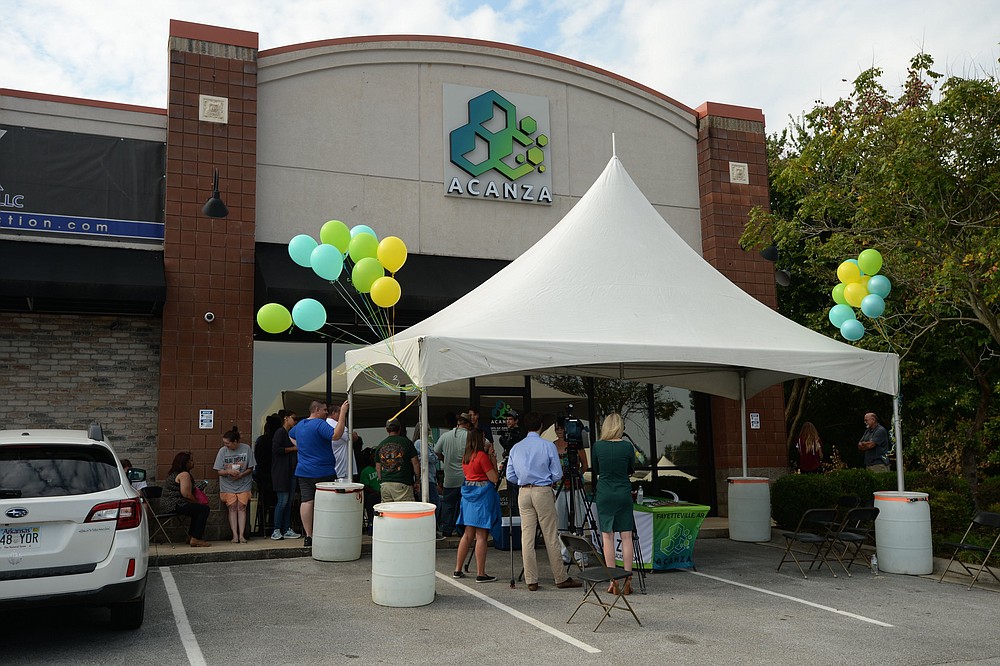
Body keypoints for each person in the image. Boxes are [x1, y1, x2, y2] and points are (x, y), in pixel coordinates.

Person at [505, 412, 581, 591]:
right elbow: (557, 473)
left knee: (527, 536)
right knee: (550, 534)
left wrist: (524, 480)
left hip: (524, 491)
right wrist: (547, 479)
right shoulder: (547, 446)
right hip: (542, 490)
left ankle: (531, 579)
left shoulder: (516, 447)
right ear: (540, 426)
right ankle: (560, 577)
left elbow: (510, 475)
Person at [591, 412, 635, 595]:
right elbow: (631, 468)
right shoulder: (627, 447)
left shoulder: (598, 446)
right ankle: (627, 578)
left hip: (605, 492)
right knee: (626, 536)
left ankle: (612, 579)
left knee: (607, 537)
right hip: (623, 491)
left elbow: (596, 469)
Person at [453, 429, 501, 582]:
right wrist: (493, 459)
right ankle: (481, 573)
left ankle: (457, 569)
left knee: (467, 534)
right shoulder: (482, 456)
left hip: (468, 495)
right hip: (482, 496)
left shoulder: (466, 457)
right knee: (481, 535)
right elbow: (493, 478)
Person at [289, 400, 338, 548]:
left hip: (304, 470)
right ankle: (326, 533)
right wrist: (342, 416)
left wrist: (300, 446)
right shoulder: (320, 424)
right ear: (316, 410)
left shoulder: (301, 425)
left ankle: (308, 536)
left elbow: (290, 435)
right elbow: (335, 435)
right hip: (323, 470)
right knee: (328, 502)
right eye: (324, 410)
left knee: (307, 501)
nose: (326, 413)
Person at [553, 420, 590, 564]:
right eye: (557, 429)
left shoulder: (575, 445)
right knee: (560, 522)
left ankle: (581, 555)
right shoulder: (552, 445)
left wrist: (578, 474)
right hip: (558, 486)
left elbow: (585, 464)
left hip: (575, 486)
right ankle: (564, 555)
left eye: (561, 428)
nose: (559, 431)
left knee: (578, 521)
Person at [214, 426, 256, 543]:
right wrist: (228, 471)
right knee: (232, 507)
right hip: (228, 484)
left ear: (236, 442)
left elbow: (251, 467)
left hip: (243, 482)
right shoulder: (222, 451)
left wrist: (241, 475)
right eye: (224, 443)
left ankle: (241, 535)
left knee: (242, 507)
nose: (226, 445)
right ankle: (235, 535)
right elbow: (219, 471)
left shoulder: (246, 449)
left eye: (228, 443)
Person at [162, 451, 211, 547]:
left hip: (170, 504)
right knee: (204, 509)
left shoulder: (174, 473)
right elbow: (186, 494)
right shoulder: (184, 474)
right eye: (191, 461)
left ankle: (191, 537)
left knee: (197, 510)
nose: (193, 463)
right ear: (185, 463)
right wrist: (197, 502)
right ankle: (196, 538)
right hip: (174, 504)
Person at [434, 412, 468, 537]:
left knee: (448, 504)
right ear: (468, 424)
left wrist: (445, 458)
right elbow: (485, 444)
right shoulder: (469, 436)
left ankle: (447, 529)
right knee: (463, 505)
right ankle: (461, 530)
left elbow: (436, 451)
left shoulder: (445, 436)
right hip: (465, 477)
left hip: (449, 478)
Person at [270, 409, 302, 540]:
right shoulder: (280, 432)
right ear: (286, 418)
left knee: (288, 502)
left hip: (291, 471)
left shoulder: (290, 434)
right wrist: (293, 449)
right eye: (294, 418)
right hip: (281, 472)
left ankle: (286, 528)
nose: (295, 421)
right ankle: (276, 529)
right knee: (282, 501)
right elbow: (276, 449)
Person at [375, 418, 420, 502]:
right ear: (399, 428)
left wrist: (382, 481)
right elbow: (416, 463)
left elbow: (378, 468)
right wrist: (417, 481)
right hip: (403, 483)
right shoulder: (407, 443)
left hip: (385, 485)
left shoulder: (380, 445)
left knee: (388, 512)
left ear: (387, 430)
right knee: (404, 511)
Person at [412, 420, 442, 530]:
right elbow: (431, 458)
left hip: (430, 478)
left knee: (435, 503)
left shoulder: (426, 444)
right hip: (426, 478)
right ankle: (431, 528)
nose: (430, 433)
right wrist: (433, 456)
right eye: (428, 430)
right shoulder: (420, 443)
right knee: (434, 504)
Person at [254, 413, 280, 530]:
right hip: (277, 476)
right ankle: (274, 525)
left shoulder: (262, 440)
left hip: (263, 476)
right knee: (277, 502)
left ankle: (262, 527)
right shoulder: (280, 440)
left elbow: (258, 459)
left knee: (264, 504)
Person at [326, 401, 359, 482]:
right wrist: (354, 434)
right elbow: (352, 438)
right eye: (339, 413)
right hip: (342, 468)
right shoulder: (338, 426)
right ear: (334, 413)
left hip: (331, 464)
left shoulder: (324, 424)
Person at [358, 447, 381, 534]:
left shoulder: (384, 468)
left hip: (385, 492)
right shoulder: (366, 471)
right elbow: (365, 486)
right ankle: (372, 525)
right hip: (373, 494)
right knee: (371, 498)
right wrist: (375, 492)